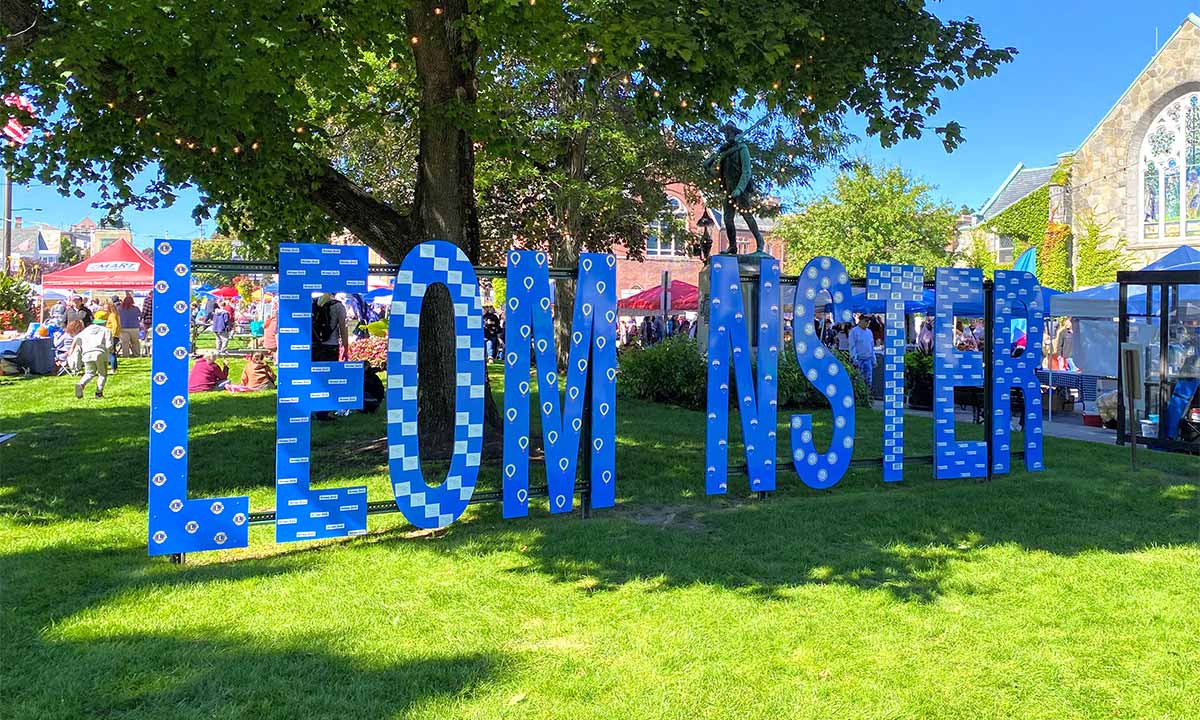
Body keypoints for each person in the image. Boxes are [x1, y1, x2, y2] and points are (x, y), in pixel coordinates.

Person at [312, 292, 349, 421]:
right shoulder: (338, 306)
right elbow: (343, 328)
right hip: (331, 347)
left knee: (314, 378)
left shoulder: (313, 303)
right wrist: (346, 347)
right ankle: (323, 412)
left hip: (314, 346)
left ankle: (311, 407)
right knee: (327, 379)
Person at [70, 313, 114, 398]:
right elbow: (109, 345)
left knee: (89, 373)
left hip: (86, 354)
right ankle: (99, 393)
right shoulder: (106, 330)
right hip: (100, 353)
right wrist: (108, 353)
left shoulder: (86, 330)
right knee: (102, 374)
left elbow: (77, 340)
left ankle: (81, 384)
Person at [848, 315, 876, 384]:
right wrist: (854, 358)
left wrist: (874, 359)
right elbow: (852, 346)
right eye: (866, 321)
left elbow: (871, 346)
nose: (868, 322)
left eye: (869, 321)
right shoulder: (854, 331)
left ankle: (868, 393)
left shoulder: (869, 332)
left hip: (868, 359)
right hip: (859, 359)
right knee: (858, 380)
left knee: (869, 379)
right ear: (861, 320)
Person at [116, 292, 142, 357]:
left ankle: (126, 355)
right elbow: (140, 316)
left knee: (125, 343)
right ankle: (136, 354)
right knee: (135, 342)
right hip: (134, 327)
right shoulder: (136, 308)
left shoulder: (119, 309)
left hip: (123, 328)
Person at [104, 298, 122, 371]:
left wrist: (113, 335)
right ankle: (114, 367)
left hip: (112, 335)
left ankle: (113, 368)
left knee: (111, 352)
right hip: (115, 335)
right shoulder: (115, 314)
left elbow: (115, 325)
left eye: (106, 308)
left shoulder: (112, 315)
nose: (104, 310)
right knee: (112, 351)